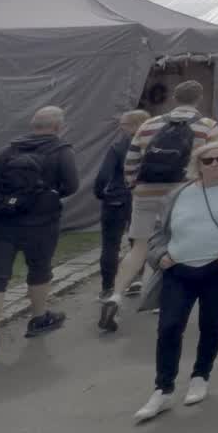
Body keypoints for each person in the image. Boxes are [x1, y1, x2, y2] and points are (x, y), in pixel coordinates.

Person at [133, 139, 218, 422]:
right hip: (178, 269)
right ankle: (163, 389)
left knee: (210, 323)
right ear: (198, 165)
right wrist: (159, 256)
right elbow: (160, 230)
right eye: (208, 161)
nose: (216, 165)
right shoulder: (179, 193)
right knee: (169, 327)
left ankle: (200, 375)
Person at [104, 80, 218, 333]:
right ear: (198, 99)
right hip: (183, 193)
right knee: (176, 244)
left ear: (174, 98)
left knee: (139, 248)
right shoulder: (207, 126)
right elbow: (211, 163)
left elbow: (132, 158)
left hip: (146, 191)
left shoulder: (149, 124)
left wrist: (133, 185)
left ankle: (114, 296)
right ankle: (162, 298)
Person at [0, 104, 79, 352]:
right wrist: (47, 196)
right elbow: (72, 185)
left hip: (1, 224)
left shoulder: (7, 151)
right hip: (41, 225)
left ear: (33, 127)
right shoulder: (62, 152)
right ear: (58, 127)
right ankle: (39, 318)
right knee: (40, 270)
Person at [93, 110, 149, 299]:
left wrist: (100, 192)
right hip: (141, 197)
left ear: (135, 125)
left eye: (124, 124)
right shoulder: (152, 145)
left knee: (110, 244)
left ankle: (108, 287)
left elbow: (103, 175)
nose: (121, 127)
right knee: (138, 241)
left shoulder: (118, 146)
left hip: (116, 197)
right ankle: (136, 279)